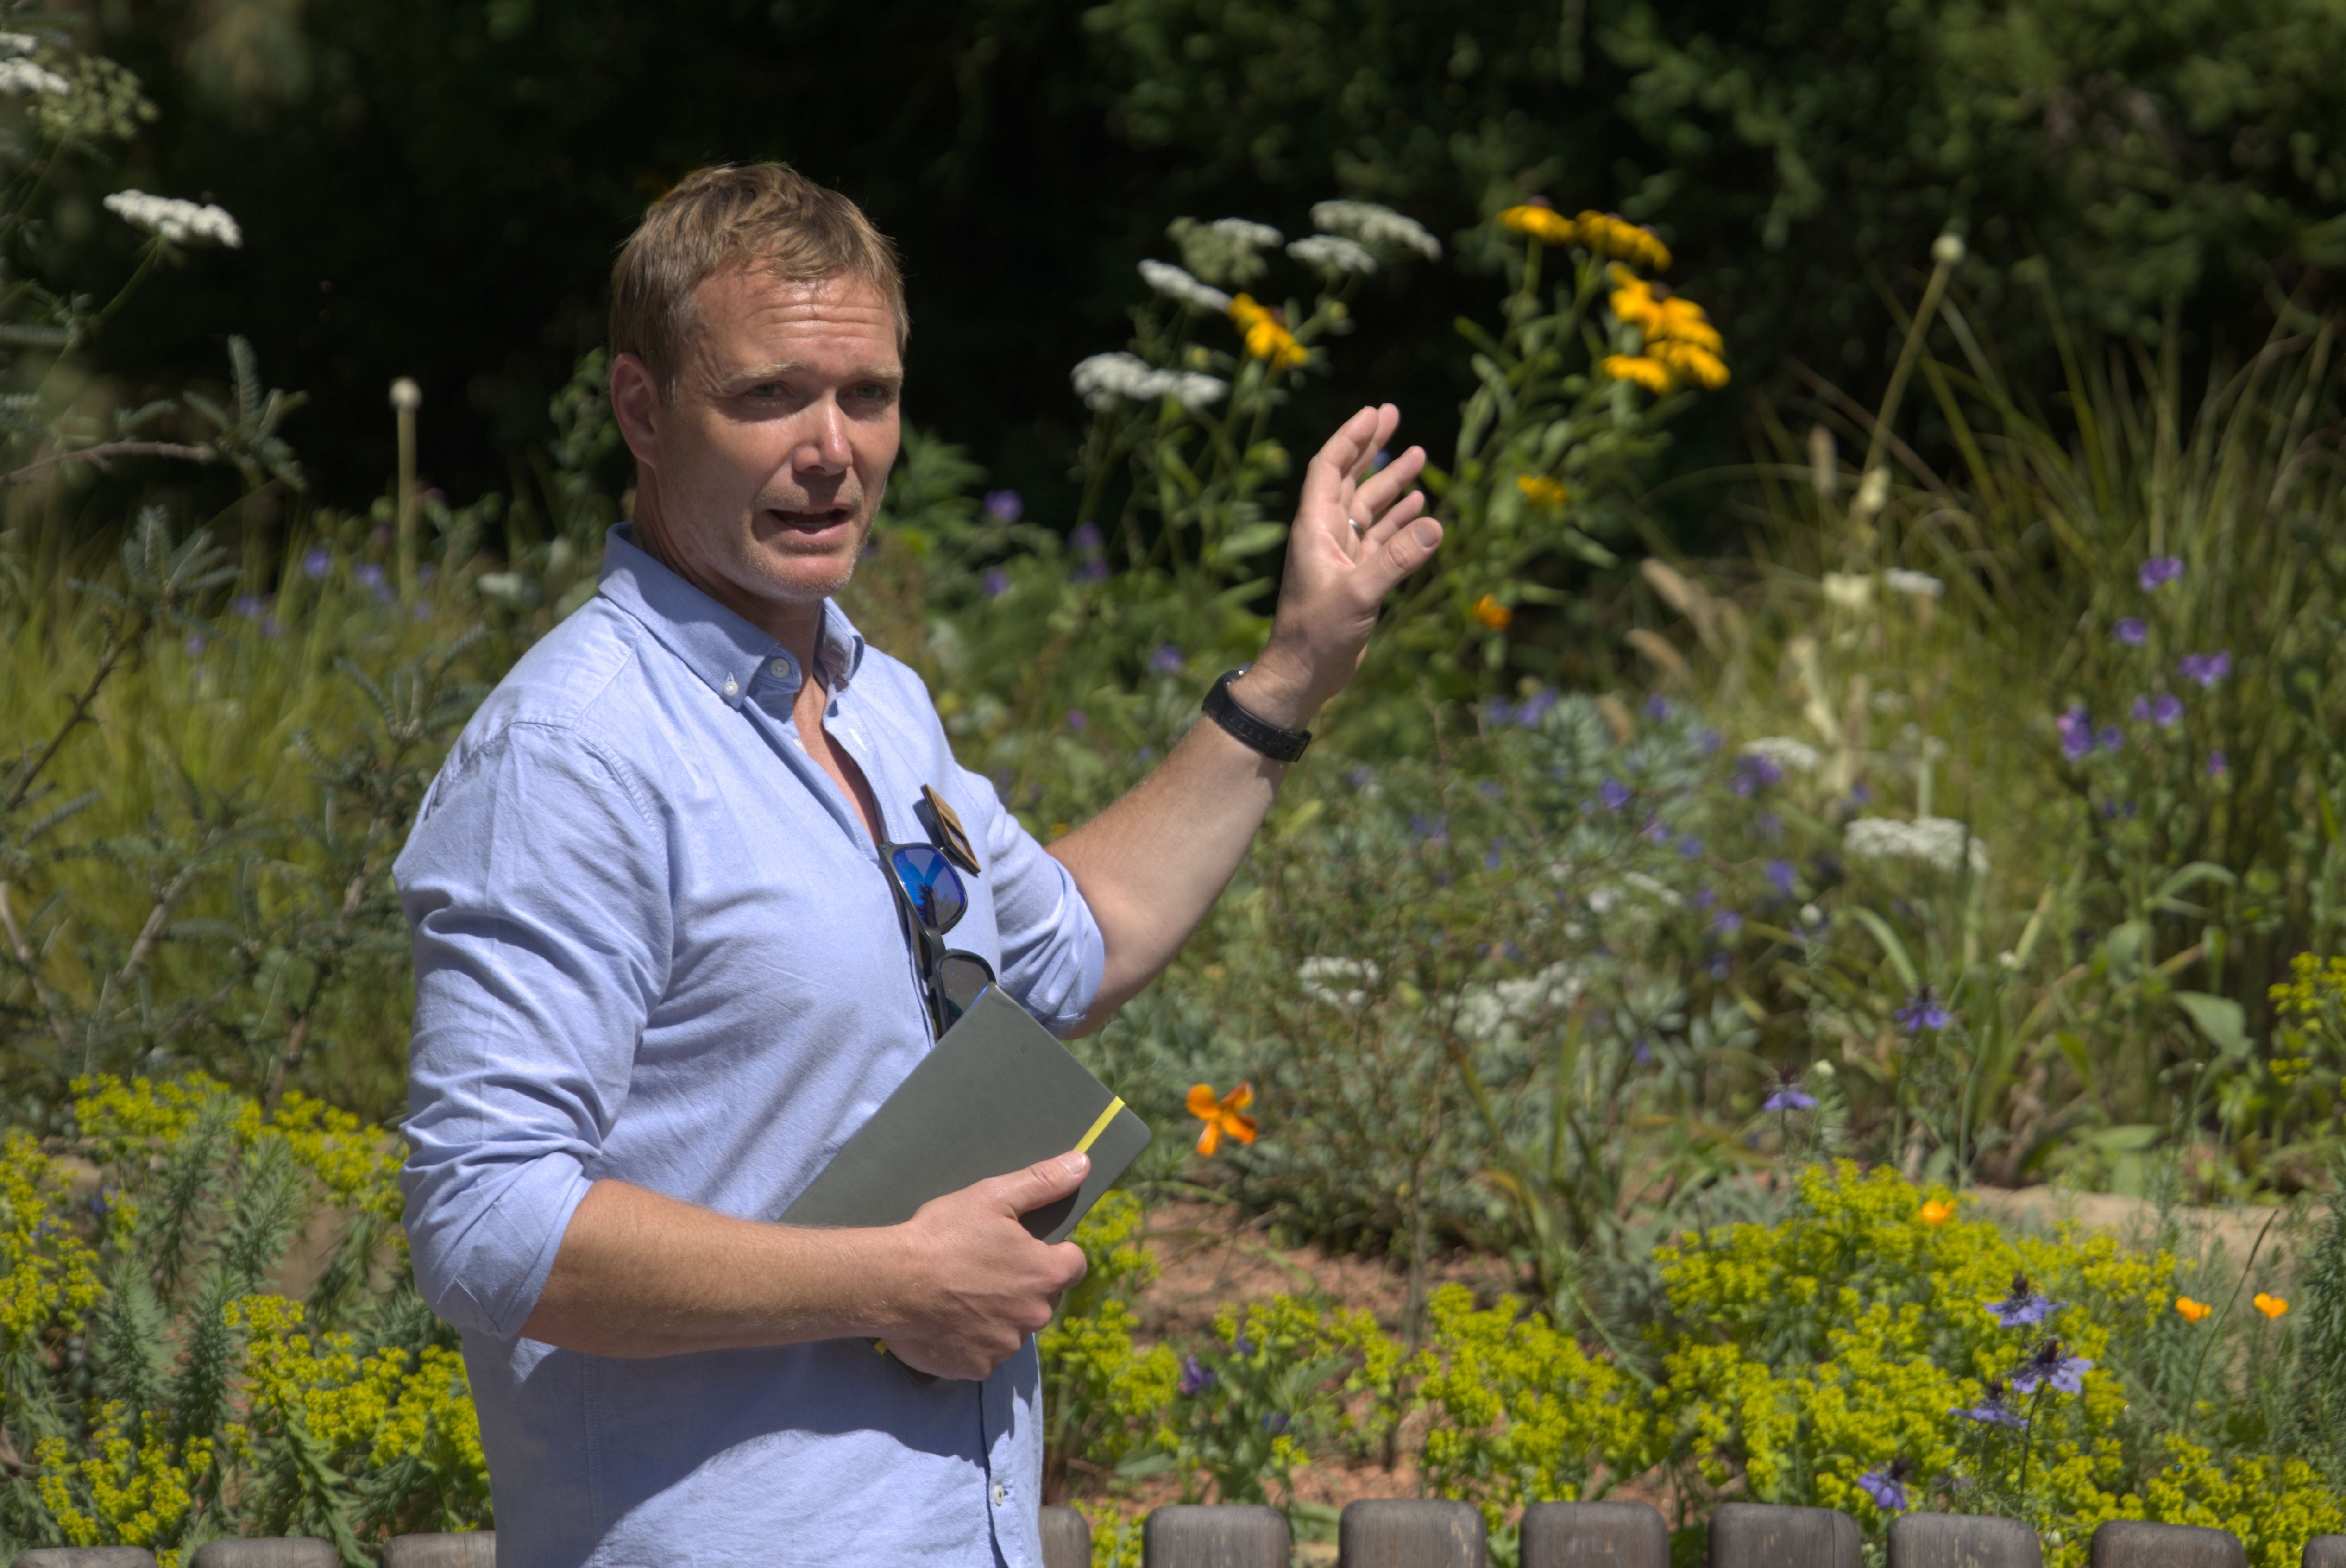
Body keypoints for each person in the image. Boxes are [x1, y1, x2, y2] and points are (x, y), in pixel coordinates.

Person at [395, 162, 1442, 1568]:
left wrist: (1297, 667)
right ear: (641, 409)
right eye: (769, 395)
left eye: (867, 395)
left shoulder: (873, 700)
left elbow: (1074, 940)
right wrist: (892, 1278)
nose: (832, 447)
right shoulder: (573, 753)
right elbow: (486, 1222)